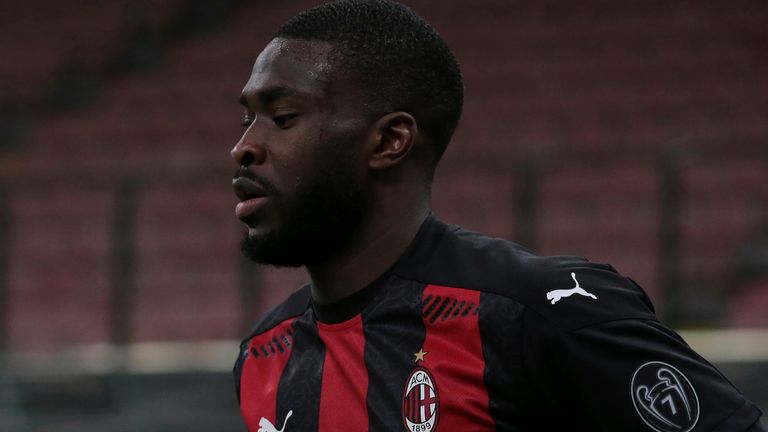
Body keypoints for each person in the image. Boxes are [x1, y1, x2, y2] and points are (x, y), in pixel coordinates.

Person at [230, 1, 765, 430]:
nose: (244, 148)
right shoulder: (263, 356)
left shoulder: (539, 314)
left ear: (390, 141)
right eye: (248, 118)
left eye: (282, 117)